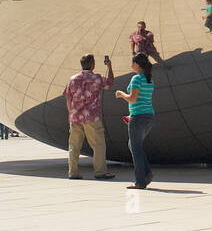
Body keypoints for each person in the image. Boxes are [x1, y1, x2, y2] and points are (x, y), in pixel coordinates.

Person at [64, 54, 116, 180]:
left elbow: (68, 97)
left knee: (74, 146)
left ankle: (73, 172)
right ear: (92, 64)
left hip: (76, 117)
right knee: (98, 145)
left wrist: (70, 113)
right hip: (92, 117)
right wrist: (109, 67)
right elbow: (109, 83)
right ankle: (100, 171)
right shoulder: (96, 78)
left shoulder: (73, 79)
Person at [115, 53, 156, 190]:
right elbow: (141, 101)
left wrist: (121, 94)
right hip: (148, 116)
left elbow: (132, 99)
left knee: (135, 148)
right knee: (134, 146)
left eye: (133, 63)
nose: (131, 65)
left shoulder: (136, 78)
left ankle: (140, 181)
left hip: (138, 117)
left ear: (137, 64)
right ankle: (147, 173)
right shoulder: (149, 79)